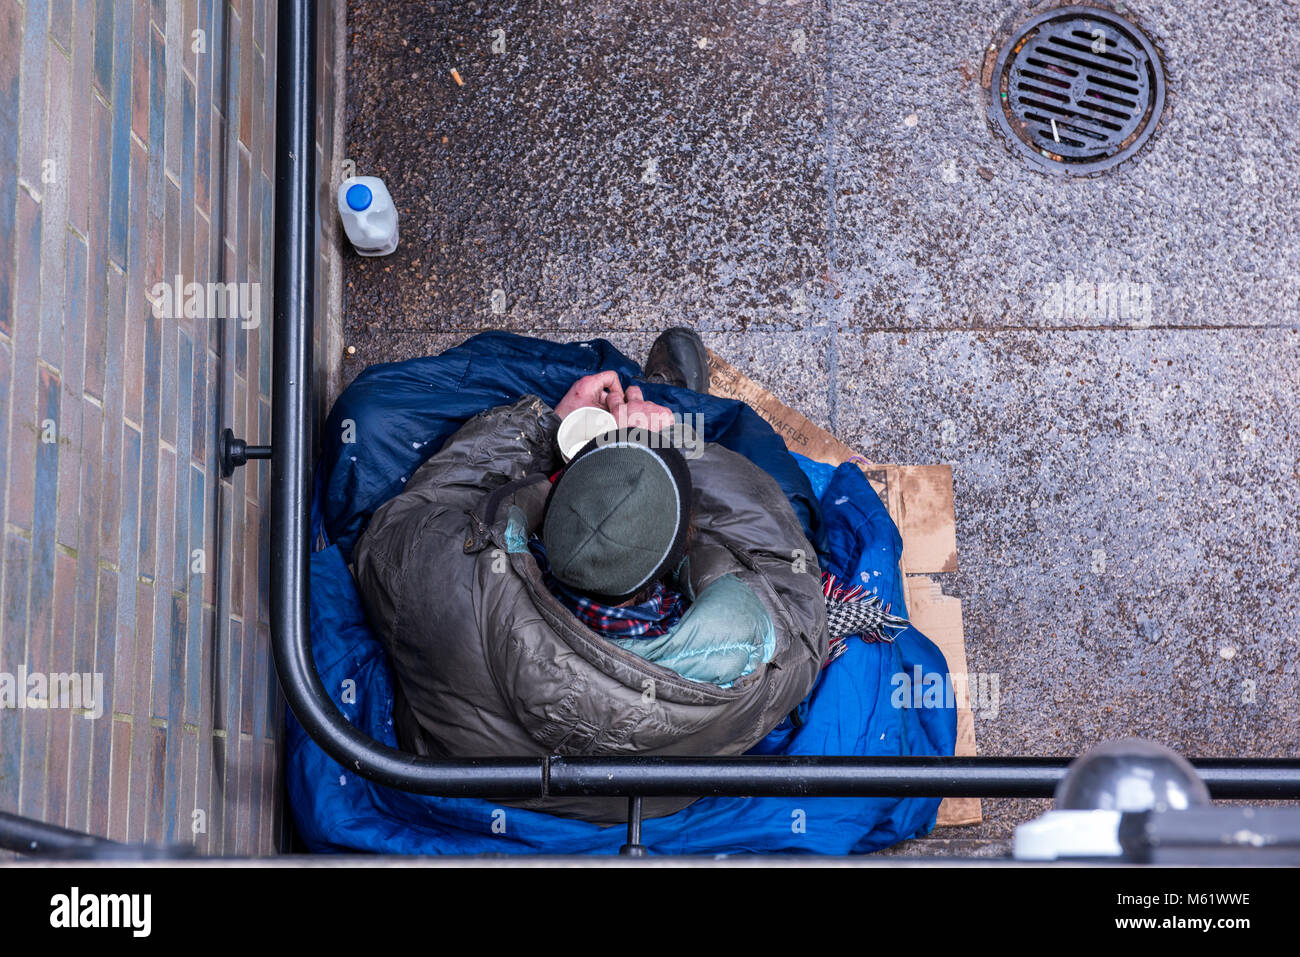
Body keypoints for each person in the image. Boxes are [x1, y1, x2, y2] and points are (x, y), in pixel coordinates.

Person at [349, 330, 894, 823]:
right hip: (639, 797)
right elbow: (783, 562)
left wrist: (544, 426)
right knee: (777, 481)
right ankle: (671, 397)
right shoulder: (763, 653)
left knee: (379, 413)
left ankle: (645, 401)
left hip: (467, 754)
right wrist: (678, 442)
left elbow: (410, 518)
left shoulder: (438, 568)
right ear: (686, 544)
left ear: (552, 495)